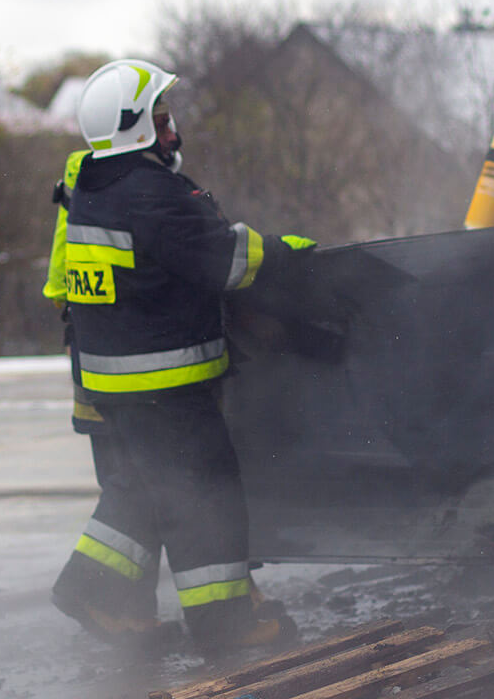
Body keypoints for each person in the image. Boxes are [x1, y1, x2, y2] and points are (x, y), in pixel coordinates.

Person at [49, 58, 311, 654]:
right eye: (162, 122)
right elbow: (225, 260)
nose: (173, 134)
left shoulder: (90, 189)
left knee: (146, 489)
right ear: (136, 128)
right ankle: (225, 626)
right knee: (204, 494)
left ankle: (90, 589)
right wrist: (286, 254)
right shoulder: (151, 194)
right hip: (165, 386)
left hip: (116, 386)